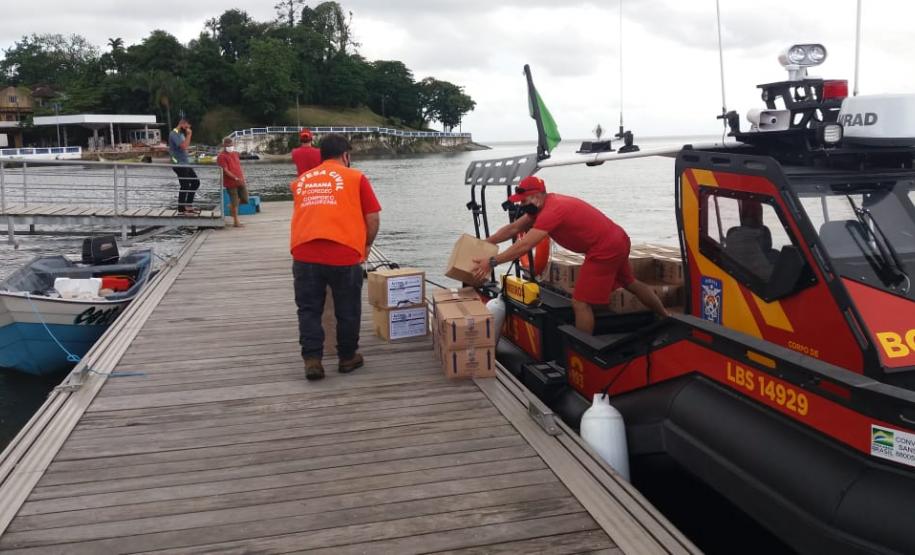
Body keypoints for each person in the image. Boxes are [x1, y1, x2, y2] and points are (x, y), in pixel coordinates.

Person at [472, 175, 669, 334]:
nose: (522, 205)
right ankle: (665, 317)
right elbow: (513, 229)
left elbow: (525, 245)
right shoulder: (541, 208)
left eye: (524, 201)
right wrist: (485, 243)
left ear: (538, 196)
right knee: (629, 282)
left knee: (580, 302)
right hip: (617, 239)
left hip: (605, 248)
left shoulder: (552, 211)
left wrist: (492, 261)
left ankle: (583, 349)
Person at [290, 133, 381, 380]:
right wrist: (367, 244)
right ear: (345, 155)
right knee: (348, 308)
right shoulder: (356, 177)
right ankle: (347, 357)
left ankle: (312, 360)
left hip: (304, 252)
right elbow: (372, 218)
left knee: (308, 309)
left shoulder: (301, 181)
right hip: (343, 252)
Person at [168, 118, 200, 214]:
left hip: (185, 163)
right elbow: (183, 146)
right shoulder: (174, 133)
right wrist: (189, 135)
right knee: (185, 185)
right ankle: (181, 208)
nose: (187, 129)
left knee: (195, 183)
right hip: (178, 164)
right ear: (182, 124)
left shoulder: (181, 134)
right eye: (187, 127)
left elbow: (185, 146)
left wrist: (188, 153)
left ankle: (188, 205)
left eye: (188, 128)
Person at [217, 137, 249, 228]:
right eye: (228, 145)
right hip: (230, 182)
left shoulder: (235, 154)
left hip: (240, 180)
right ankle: (236, 222)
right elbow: (225, 170)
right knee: (235, 202)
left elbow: (238, 166)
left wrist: (242, 177)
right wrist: (234, 177)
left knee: (245, 199)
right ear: (224, 145)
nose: (230, 146)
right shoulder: (221, 156)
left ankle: (231, 206)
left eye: (231, 145)